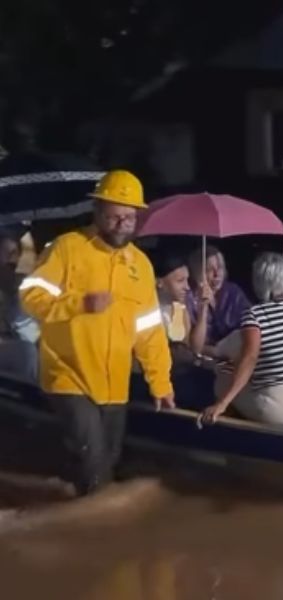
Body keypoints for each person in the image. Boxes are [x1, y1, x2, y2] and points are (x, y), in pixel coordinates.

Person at [19, 170, 174, 496]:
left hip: (115, 384)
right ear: (98, 212)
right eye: (114, 216)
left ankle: (59, 500)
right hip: (68, 375)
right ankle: (95, 521)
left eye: (129, 217)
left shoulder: (141, 266)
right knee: (96, 472)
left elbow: (149, 331)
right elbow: (30, 296)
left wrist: (160, 382)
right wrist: (80, 304)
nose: (121, 224)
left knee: (105, 462)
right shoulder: (67, 248)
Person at [201, 252, 283, 426]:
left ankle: (229, 417)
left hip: (279, 411)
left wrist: (222, 403)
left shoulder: (255, 315)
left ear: (257, 282)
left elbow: (250, 359)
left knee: (223, 375)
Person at [186, 245, 251, 355]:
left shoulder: (232, 291)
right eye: (210, 270)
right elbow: (193, 347)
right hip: (203, 359)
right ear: (198, 272)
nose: (217, 274)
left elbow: (252, 325)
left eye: (220, 268)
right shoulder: (189, 298)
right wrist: (203, 308)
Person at [0, 230, 39, 383]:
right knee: (25, 353)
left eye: (16, 253)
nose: (14, 260)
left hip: (23, 342)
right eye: (8, 254)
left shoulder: (25, 287)